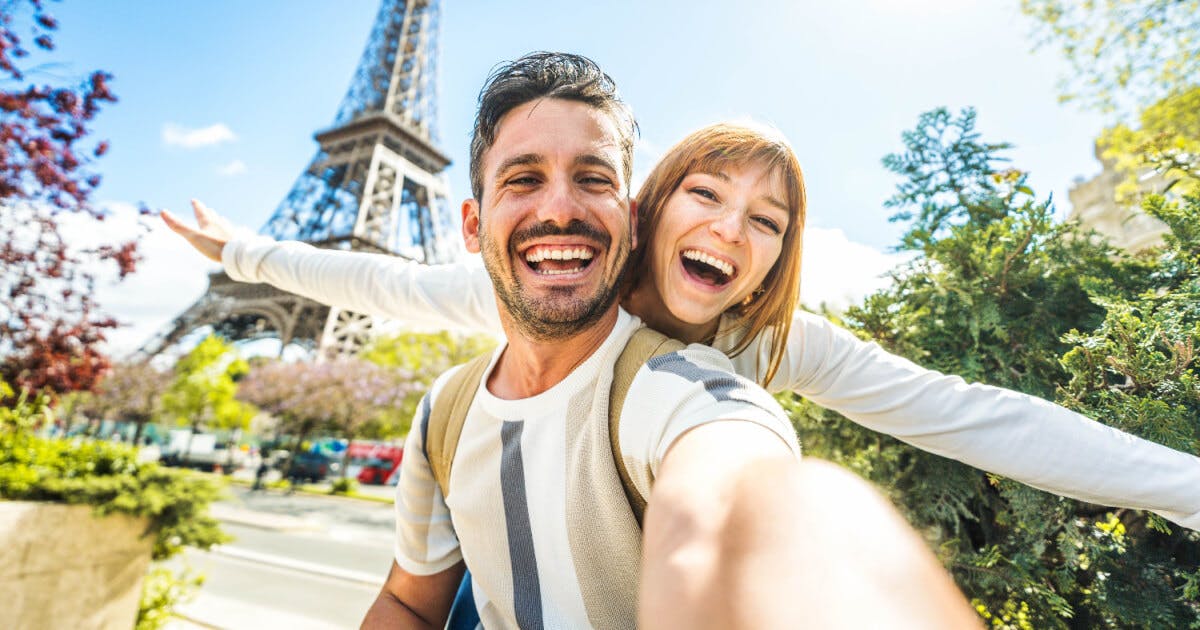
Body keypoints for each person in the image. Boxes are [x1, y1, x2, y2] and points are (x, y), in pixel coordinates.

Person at [166, 52, 982, 628]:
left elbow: (748, 490)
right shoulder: (445, 414)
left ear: (630, 219)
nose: (559, 208)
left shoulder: (694, 387)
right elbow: (411, 601)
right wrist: (243, 253)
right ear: (472, 223)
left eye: (592, 177)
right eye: (524, 178)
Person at [165, 124, 1200, 531]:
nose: (730, 231)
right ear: (653, 208)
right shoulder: (554, 285)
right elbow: (379, 281)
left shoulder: (774, 341)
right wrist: (243, 257)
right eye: (705, 195)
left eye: (767, 221)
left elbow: (977, 419)